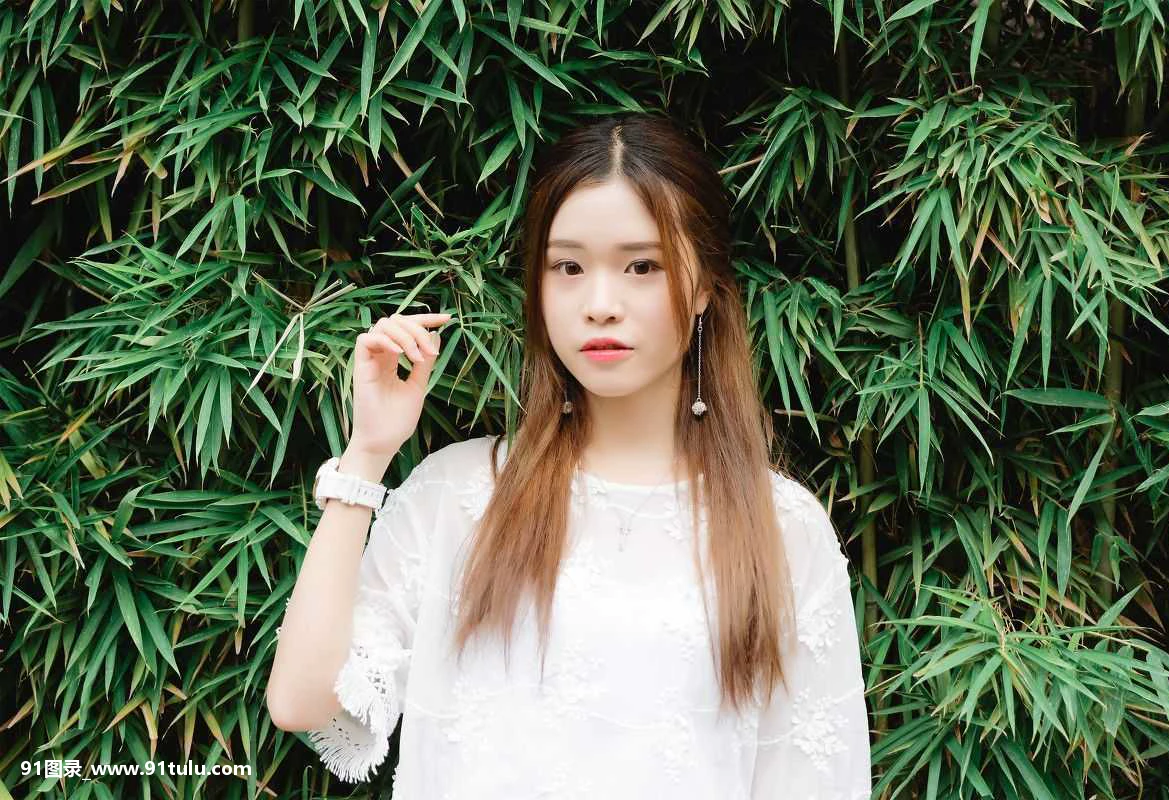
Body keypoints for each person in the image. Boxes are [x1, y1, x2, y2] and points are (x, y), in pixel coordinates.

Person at [266, 112, 872, 799]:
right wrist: (367, 454)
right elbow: (303, 701)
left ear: (704, 283)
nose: (600, 304)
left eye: (642, 266)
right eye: (569, 267)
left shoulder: (781, 528)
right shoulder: (458, 495)